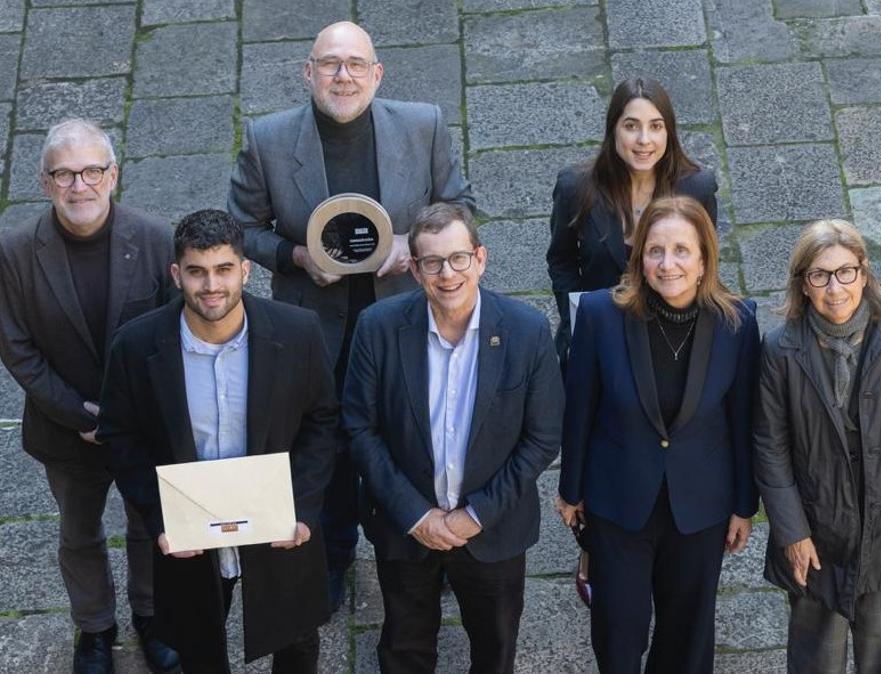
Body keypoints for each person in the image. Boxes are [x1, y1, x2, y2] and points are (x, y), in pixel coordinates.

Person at [227, 20, 475, 608]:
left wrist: (411, 243)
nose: (344, 75)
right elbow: (239, 229)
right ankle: (332, 556)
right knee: (327, 448)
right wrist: (295, 256)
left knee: (414, 438)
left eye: (356, 64)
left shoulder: (423, 126)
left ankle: (422, 554)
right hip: (315, 327)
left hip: (406, 321)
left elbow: (461, 205)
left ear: (377, 73)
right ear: (308, 72)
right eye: (331, 64)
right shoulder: (268, 139)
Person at [98, 210, 339, 674]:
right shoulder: (135, 346)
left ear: (245, 271)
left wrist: (303, 509)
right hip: (188, 531)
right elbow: (118, 436)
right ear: (177, 274)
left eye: (224, 269)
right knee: (198, 647)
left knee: (297, 641)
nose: (211, 285)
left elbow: (322, 421)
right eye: (197, 271)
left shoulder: (298, 332)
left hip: (279, 523)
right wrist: (158, 517)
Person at [343, 203, 563, 674]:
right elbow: (360, 428)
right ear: (416, 270)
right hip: (406, 527)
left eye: (459, 258)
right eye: (432, 262)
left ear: (480, 259)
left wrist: (475, 515)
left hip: (493, 529)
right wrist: (415, 513)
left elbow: (543, 438)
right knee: (404, 646)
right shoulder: (377, 328)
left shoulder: (526, 331)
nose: (448, 273)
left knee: (494, 646)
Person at [0, 119, 178, 674]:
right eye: (65, 174)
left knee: (150, 525)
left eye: (92, 171)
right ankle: (96, 629)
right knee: (79, 533)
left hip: (142, 426)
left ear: (114, 175)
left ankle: (153, 616)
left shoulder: (155, 238)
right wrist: (76, 413)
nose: (80, 185)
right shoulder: (14, 252)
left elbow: (175, 331)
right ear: (45, 182)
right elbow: (17, 346)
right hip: (64, 429)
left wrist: (128, 414)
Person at [557, 196, 758, 673]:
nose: (668, 264)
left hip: (701, 506)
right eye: (655, 251)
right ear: (639, 256)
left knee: (688, 636)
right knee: (618, 631)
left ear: (704, 257)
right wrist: (571, 490)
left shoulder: (739, 321)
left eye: (682, 251)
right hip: (618, 501)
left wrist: (743, 505)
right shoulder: (601, 314)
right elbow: (580, 406)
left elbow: (744, 419)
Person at [756, 219, 881, 673]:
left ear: (865, 274)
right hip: (816, 535)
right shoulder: (780, 349)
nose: (835, 288)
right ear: (803, 285)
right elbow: (769, 447)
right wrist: (792, 532)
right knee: (815, 662)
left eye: (846, 271)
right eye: (820, 275)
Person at [546, 77, 718, 365]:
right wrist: (577, 318)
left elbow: (705, 262)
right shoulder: (575, 188)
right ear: (613, 129)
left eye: (655, 126)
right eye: (631, 126)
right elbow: (561, 261)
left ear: (669, 132)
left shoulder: (697, 189)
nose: (644, 140)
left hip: (671, 340)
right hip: (598, 337)